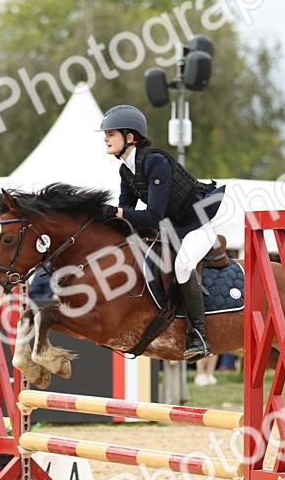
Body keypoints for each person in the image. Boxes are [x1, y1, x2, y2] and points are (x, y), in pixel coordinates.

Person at [93, 104, 225, 361]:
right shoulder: (125, 169)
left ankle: (198, 335)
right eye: (106, 134)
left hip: (202, 219)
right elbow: (127, 211)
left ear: (130, 137)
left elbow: (153, 216)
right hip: (175, 225)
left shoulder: (155, 162)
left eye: (111, 134)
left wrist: (116, 212)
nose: (105, 139)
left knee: (183, 265)